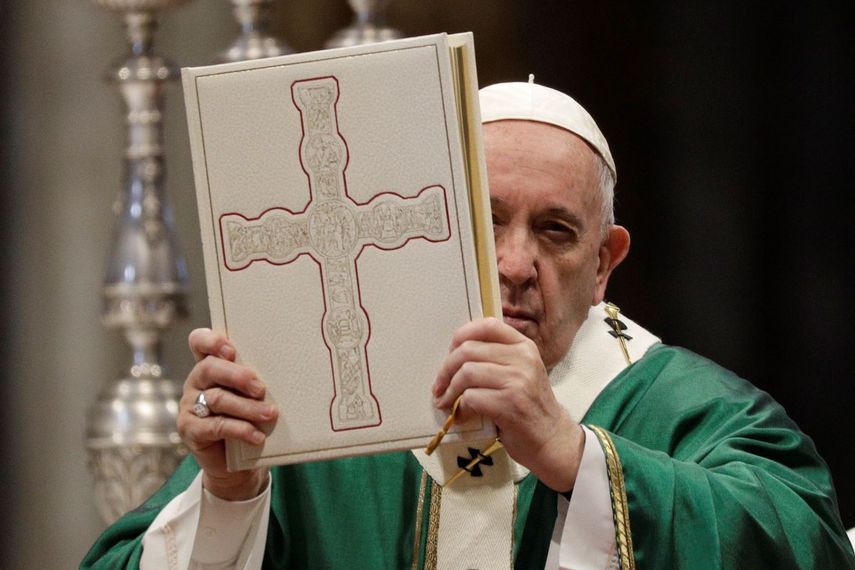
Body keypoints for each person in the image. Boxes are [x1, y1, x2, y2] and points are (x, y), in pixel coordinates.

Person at [82, 81, 855, 569]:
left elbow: (804, 545)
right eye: (485, 222)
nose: (515, 264)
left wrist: (572, 456)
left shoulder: (692, 410)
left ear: (602, 262)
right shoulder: (317, 417)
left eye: (554, 231)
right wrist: (229, 497)